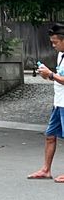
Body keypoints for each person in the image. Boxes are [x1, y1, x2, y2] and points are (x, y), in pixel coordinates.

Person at [28, 23, 64, 181]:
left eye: (55, 42)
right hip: (58, 102)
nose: (53, 45)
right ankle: (46, 169)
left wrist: (50, 75)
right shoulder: (60, 55)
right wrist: (48, 74)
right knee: (50, 135)